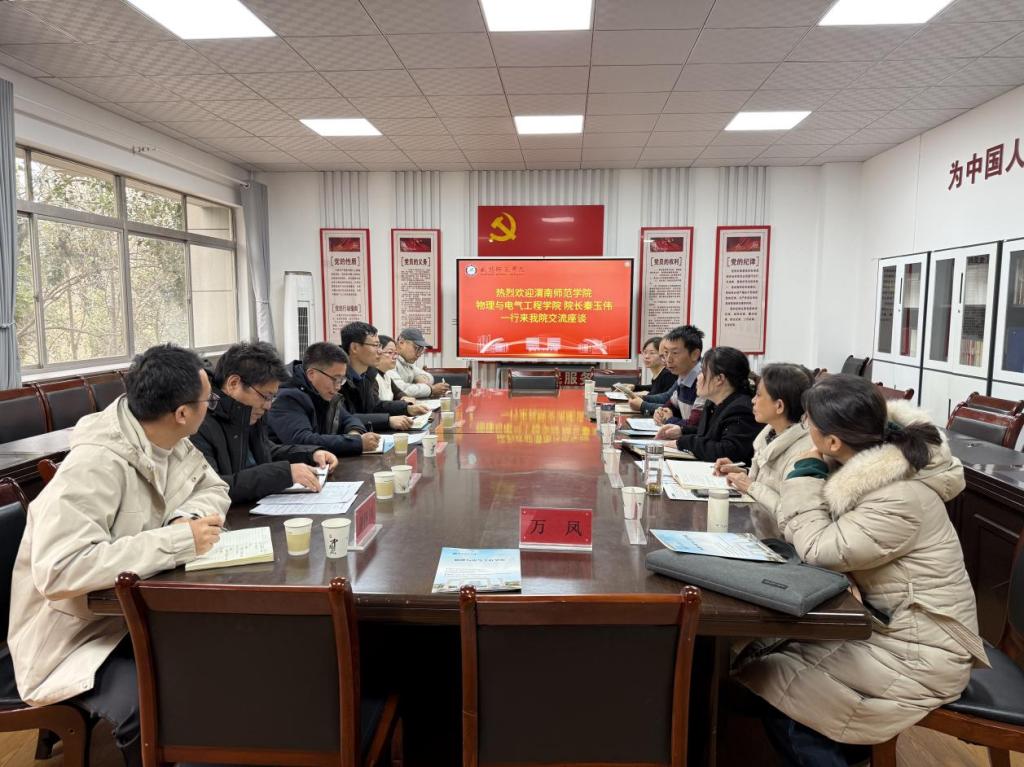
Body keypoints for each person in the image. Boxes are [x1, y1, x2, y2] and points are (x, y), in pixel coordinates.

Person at [733, 375, 986, 765]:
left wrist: (804, 474)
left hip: (919, 651)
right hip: (889, 627)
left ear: (833, 442)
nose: (805, 430)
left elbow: (820, 548)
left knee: (781, 694)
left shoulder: (898, 496)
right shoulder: (867, 469)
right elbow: (835, 542)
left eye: (809, 423)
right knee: (753, 667)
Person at [8, 344, 230, 767]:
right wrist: (176, 541)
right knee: (159, 703)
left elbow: (213, 488)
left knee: (226, 658)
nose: (211, 408)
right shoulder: (95, 464)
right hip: (76, 636)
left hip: (135, 615)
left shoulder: (171, 441)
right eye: (209, 401)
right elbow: (61, 569)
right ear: (183, 412)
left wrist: (185, 519)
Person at [192, 341, 338, 503]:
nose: (268, 406)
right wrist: (284, 473)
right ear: (233, 384)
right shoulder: (198, 423)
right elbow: (216, 488)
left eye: (272, 398)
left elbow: (266, 452)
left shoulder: (246, 412)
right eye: (266, 396)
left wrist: (310, 454)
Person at [714, 363, 815, 516]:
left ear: (779, 406)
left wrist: (751, 486)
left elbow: (793, 515)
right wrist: (743, 472)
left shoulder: (804, 454)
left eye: (758, 395)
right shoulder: (770, 434)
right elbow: (772, 482)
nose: (753, 400)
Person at [268, 341, 381, 456]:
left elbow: (349, 418)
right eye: (335, 379)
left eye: (341, 380)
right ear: (311, 374)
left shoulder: (323, 392)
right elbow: (302, 440)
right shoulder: (287, 397)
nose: (338, 387)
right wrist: (355, 443)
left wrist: (354, 433)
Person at [655, 346, 760, 464]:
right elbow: (709, 434)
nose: (698, 377)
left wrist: (685, 442)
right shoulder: (713, 403)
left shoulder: (741, 409)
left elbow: (728, 451)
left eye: (703, 373)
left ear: (719, 379)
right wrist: (682, 431)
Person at [340, 322, 429, 431]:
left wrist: (407, 409)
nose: (380, 351)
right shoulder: (338, 377)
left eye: (380, 346)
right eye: (375, 345)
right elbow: (344, 418)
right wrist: (388, 421)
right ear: (354, 348)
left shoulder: (367, 374)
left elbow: (374, 406)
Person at [627, 325, 704, 427]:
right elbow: (671, 403)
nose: (668, 359)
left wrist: (668, 419)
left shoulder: (705, 380)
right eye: (666, 353)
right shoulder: (683, 376)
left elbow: (694, 425)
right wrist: (661, 412)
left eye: (675, 353)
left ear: (695, 354)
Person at [393, 327, 449, 399]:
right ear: (401, 343)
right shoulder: (390, 362)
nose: (419, 354)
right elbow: (401, 390)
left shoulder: (407, 363)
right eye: (416, 348)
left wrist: (418, 378)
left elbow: (429, 377)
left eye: (421, 349)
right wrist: (431, 389)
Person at [376, 335, 415, 403]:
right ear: (378, 353)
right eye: (390, 352)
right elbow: (377, 406)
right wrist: (403, 404)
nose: (395, 357)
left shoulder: (386, 375)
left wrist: (405, 398)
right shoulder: (372, 377)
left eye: (396, 353)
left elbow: (398, 393)